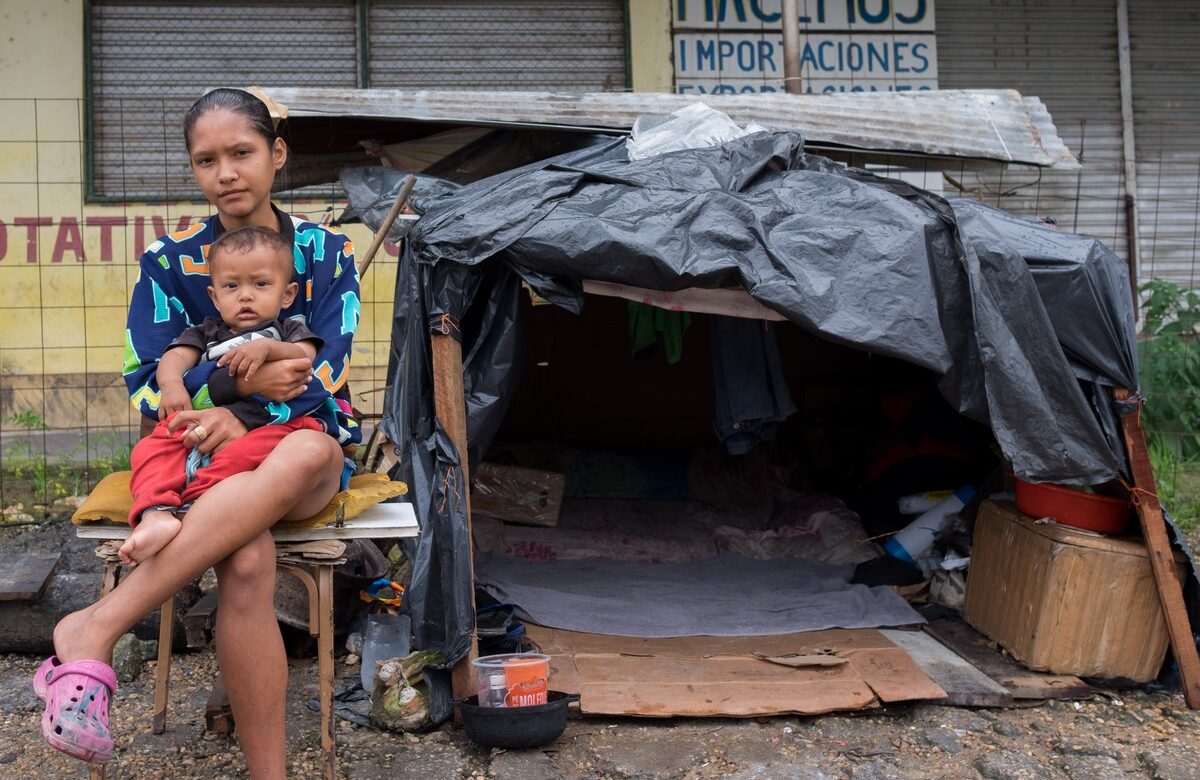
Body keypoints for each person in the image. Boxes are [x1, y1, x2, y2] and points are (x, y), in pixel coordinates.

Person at [34, 88, 360, 779]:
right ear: (194, 170)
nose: (227, 173)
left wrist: (242, 400)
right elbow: (146, 380)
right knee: (245, 561)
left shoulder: (326, 252)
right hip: (200, 457)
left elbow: (324, 374)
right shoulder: (168, 262)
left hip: (301, 453)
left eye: (242, 153)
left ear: (276, 154)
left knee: (306, 446)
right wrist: (231, 391)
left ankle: (98, 625)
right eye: (207, 160)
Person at [121, 225, 327, 568]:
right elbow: (172, 360)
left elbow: (304, 359)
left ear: (287, 294)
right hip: (202, 431)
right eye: (231, 286)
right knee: (150, 448)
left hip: (265, 428)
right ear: (215, 296)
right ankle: (156, 512)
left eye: (261, 284)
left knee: (254, 451)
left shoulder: (290, 329)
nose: (245, 296)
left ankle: (198, 505)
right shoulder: (206, 333)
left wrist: (267, 347)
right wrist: (171, 386)